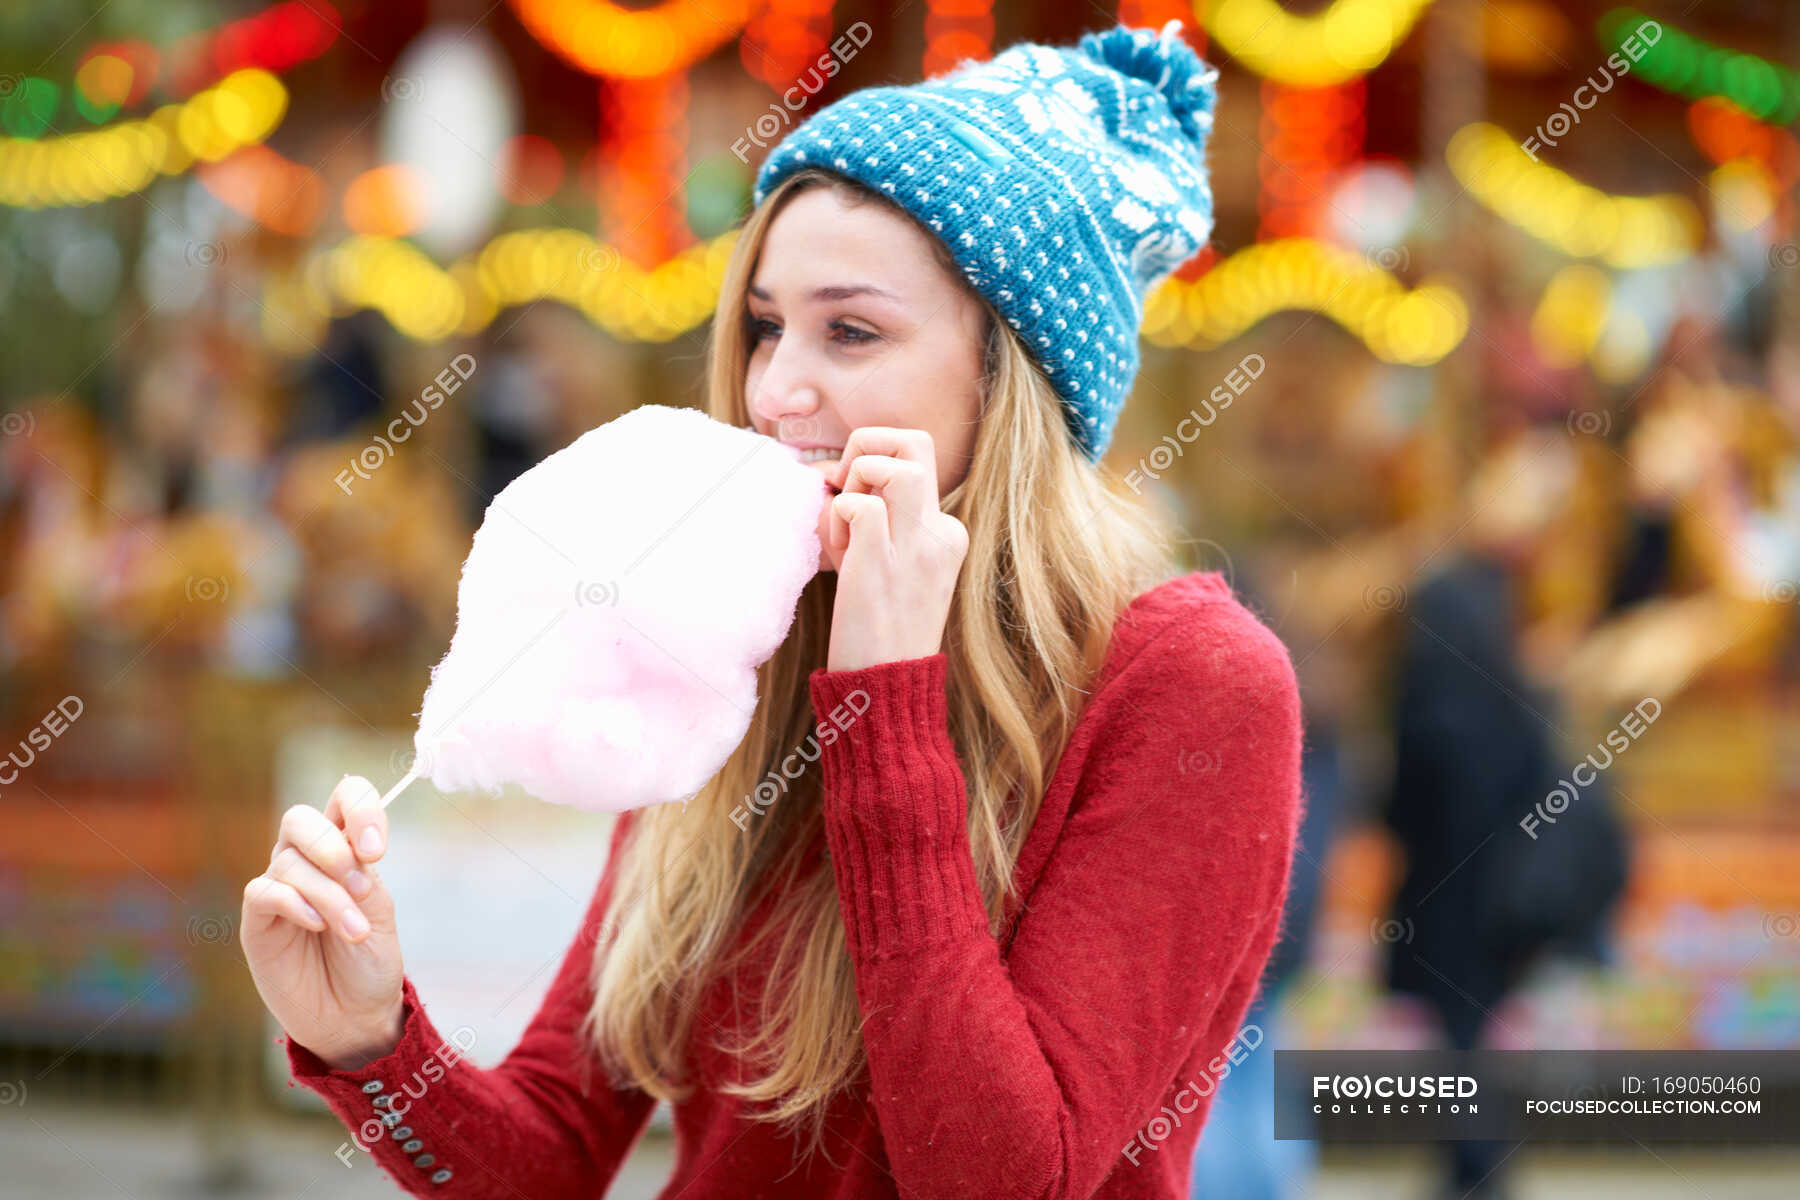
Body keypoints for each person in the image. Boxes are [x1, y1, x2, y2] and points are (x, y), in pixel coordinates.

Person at [240, 22, 1304, 1198]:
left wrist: (885, 710)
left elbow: (1007, 1176)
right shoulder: (729, 643)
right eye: (762, 327)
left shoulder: (1196, 686)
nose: (773, 390)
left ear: (1014, 373)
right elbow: (552, 1150)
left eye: (850, 330)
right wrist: (370, 1042)